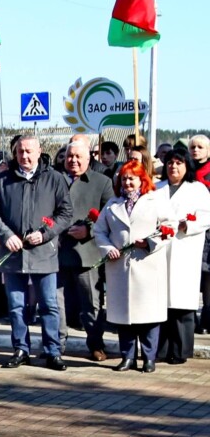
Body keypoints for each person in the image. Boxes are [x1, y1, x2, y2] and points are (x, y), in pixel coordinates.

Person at [0, 135, 74, 370]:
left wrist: (45, 234)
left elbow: (65, 213)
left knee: (49, 305)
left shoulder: (54, 178)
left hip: (44, 252)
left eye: (29, 151)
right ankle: (21, 349)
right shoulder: (2, 180)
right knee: (16, 306)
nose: (24, 156)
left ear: (39, 151)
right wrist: (6, 235)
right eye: (20, 151)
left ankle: (52, 351)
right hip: (13, 253)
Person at [93, 160, 173, 372]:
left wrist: (149, 242)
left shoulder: (155, 200)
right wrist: (107, 248)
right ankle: (127, 357)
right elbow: (99, 230)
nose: (127, 183)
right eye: (124, 179)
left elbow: (169, 227)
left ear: (141, 180)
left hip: (147, 265)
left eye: (132, 179)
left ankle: (149, 358)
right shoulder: (113, 204)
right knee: (124, 316)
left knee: (148, 316)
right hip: (120, 266)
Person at [57, 136, 114, 360]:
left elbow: (110, 215)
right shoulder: (54, 178)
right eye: (69, 156)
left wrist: (89, 230)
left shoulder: (102, 182)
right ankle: (56, 345)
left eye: (78, 156)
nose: (73, 160)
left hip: (87, 254)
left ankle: (96, 344)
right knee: (56, 303)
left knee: (91, 303)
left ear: (89, 158)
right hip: (57, 251)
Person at [156, 146, 210, 363]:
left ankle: (180, 352)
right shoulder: (157, 188)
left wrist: (186, 225)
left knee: (181, 305)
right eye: (170, 162)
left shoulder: (197, 189)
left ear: (187, 166)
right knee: (160, 304)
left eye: (179, 163)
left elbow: (206, 216)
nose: (174, 167)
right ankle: (160, 350)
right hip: (160, 250)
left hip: (184, 250)